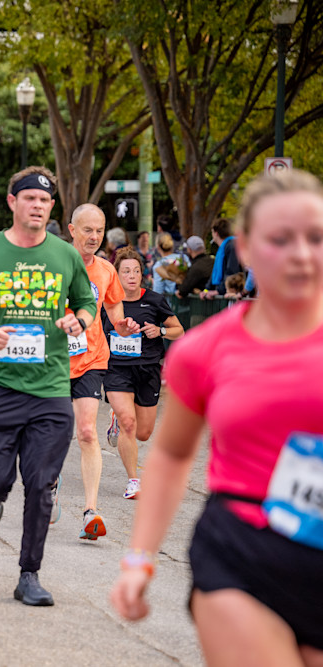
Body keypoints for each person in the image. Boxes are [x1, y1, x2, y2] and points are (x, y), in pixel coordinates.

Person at [110, 169, 323, 664]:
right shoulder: (205, 348)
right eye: (280, 238)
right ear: (245, 246)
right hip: (243, 555)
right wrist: (139, 557)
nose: (300, 253)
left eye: (315, 237)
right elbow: (171, 455)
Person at [0, 167, 97, 606]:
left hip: (51, 388)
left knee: (42, 483)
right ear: (12, 202)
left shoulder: (64, 256)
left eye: (45, 201)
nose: (37, 205)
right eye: (29, 198)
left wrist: (81, 319)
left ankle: (29, 574)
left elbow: (87, 300)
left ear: (53, 208)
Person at [66, 204, 140, 540]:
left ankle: (90, 512)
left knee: (86, 432)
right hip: (52, 361)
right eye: (87, 230)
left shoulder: (107, 270)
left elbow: (112, 306)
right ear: (72, 230)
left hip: (92, 358)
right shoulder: (54, 263)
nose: (94, 237)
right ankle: (47, 488)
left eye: (99, 230)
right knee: (50, 434)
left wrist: (121, 325)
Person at [102, 247, 184, 499]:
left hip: (148, 369)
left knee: (143, 433)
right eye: (126, 271)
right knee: (128, 423)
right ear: (117, 274)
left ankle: (118, 419)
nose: (131, 275)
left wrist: (159, 331)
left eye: (136, 271)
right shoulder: (107, 303)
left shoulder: (155, 300)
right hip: (116, 369)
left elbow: (178, 330)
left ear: (142, 274)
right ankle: (133, 481)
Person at [204, 217, 242, 296]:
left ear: (216, 233)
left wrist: (219, 291)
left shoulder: (231, 246)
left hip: (229, 292)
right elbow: (214, 272)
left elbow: (231, 271)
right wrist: (206, 290)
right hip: (222, 290)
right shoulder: (223, 248)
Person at [152, 232, 190, 297]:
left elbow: (158, 292)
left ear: (158, 247)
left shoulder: (159, 266)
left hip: (171, 304)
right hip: (189, 303)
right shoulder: (183, 258)